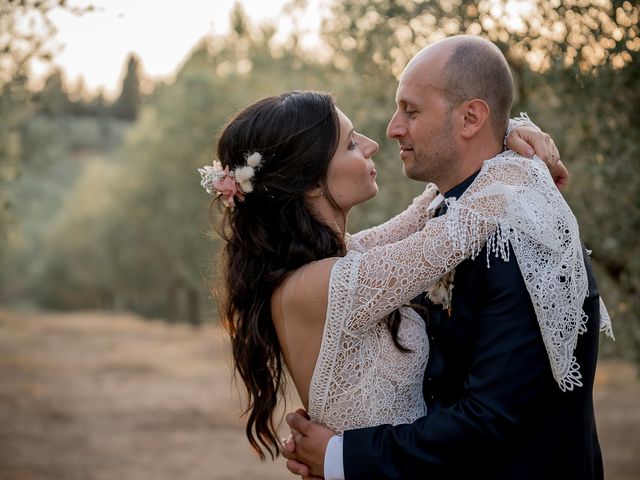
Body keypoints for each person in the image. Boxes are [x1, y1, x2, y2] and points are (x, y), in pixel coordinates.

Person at [281, 36, 612, 480]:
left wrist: (344, 456)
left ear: (472, 117)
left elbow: (491, 419)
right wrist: (515, 155)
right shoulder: (445, 223)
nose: (392, 129)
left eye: (411, 110)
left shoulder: (521, 237)